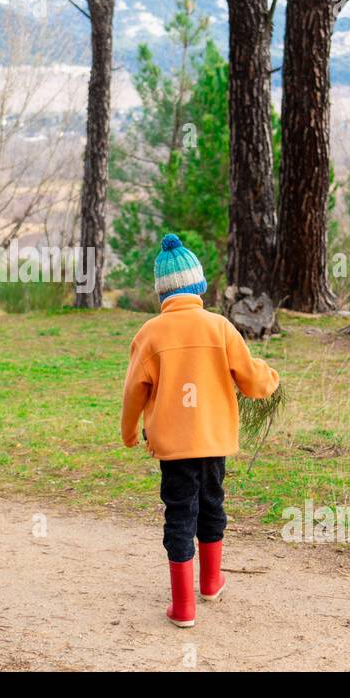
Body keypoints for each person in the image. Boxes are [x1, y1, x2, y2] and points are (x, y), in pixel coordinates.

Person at [120, 234, 280, 627]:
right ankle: (210, 583)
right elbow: (251, 379)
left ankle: (183, 607)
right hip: (213, 442)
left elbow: (133, 391)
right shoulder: (220, 327)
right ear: (199, 286)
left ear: (162, 293)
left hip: (174, 447)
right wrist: (271, 379)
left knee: (179, 514)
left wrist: (129, 433)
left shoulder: (149, 333)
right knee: (212, 505)